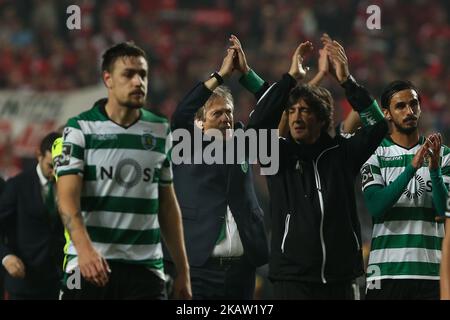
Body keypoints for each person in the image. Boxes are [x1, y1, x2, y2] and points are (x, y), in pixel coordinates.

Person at [247, 36, 388, 299]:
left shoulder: (342, 154)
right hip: (292, 279)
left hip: (341, 278)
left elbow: (378, 126)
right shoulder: (278, 157)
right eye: (292, 111)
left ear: (322, 118)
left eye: (305, 111)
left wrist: (347, 81)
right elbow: (255, 128)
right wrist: (290, 77)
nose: (296, 117)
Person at [56, 42, 191, 300]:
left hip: (146, 269)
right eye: (128, 74)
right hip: (91, 264)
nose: (138, 81)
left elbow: (167, 205)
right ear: (108, 79)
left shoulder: (161, 130)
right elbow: (66, 198)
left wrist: (183, 270)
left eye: (143, 74)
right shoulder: (80, 128)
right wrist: (84, 251)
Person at [165, 35, 268, 299]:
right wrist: (220, 76)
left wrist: (247, 73)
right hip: (200, 269)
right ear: (200, 122)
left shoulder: (244, 142)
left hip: (242, 270)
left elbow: (272, 107)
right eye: (217, 113)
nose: (225, 119)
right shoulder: (186, 146)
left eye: (229, 112)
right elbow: (181, 115)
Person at [362, 80, 449, 299]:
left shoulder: (443, 154)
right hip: (384, 271)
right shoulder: (374, 153)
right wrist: (412, 167)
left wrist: (435, 170)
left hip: (430, 272)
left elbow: (443, 212)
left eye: (414, 104)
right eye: (400, 106)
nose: (409, 111)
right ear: (387, 114)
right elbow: (377, 207)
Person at [0, 132, 64, 300]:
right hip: (25, 281)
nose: (55, 173)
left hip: (63, 280)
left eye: (60, 167)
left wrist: (76, 279)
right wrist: (6, 257)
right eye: (51, 166)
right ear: (39, 155)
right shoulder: (17, 186)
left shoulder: (72, 185)